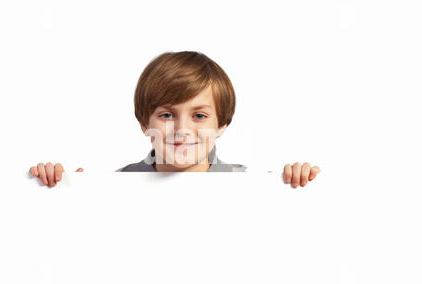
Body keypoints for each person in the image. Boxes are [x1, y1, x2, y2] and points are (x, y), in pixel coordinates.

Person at [29, 51, 320, 188]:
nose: (182, 129)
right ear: (145, 123)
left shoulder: (249, 185)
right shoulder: (117, 185)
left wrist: (298, 183)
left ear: (222, 125)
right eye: (167, 115)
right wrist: (59, 190)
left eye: (199, 116)